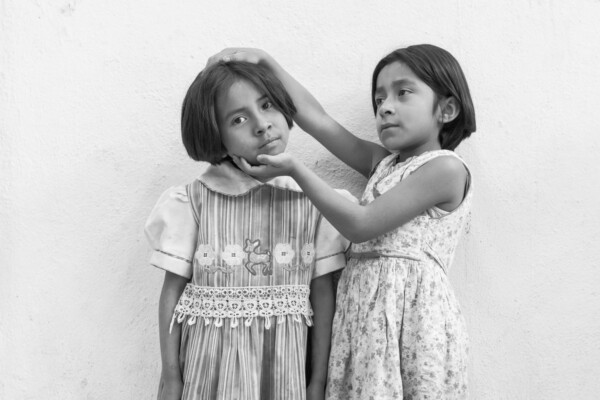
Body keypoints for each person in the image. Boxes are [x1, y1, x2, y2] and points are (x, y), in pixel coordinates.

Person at [211, 44, 476, 399]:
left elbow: (361, 224)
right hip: (363, 318)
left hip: (411, 324)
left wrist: (295, 169)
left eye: (403, 92)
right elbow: (317, 120)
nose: (385, 107)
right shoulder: (384, 164)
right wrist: (267, 63)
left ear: (447, 108)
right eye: (379, 99)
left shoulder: (445, 169)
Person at [144, 60, 350, 400]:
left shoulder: (313, 202)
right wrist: (172, 378)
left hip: (284, 371)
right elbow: (172, 294)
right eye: (238, 119)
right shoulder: (194, 201)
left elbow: (323, 294)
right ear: (216, 136)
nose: (261, 124)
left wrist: (318, 380)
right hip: (209, 369)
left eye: (267, 105)